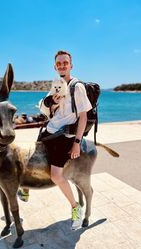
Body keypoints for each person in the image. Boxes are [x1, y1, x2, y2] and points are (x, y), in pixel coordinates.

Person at [18, 50, 92, 230]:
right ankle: (26, 188)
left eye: (65, 63)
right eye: (59, 63)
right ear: (55, 66)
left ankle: (76, 208)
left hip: (64, 137)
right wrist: (53, 103)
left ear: (71, 65)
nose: (62, 65)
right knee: (29, 159)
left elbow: (83, 117)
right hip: (48, 131)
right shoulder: (56, 85)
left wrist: (76, 143)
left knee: (56, 175)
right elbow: (47, 109)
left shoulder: (77, 87)